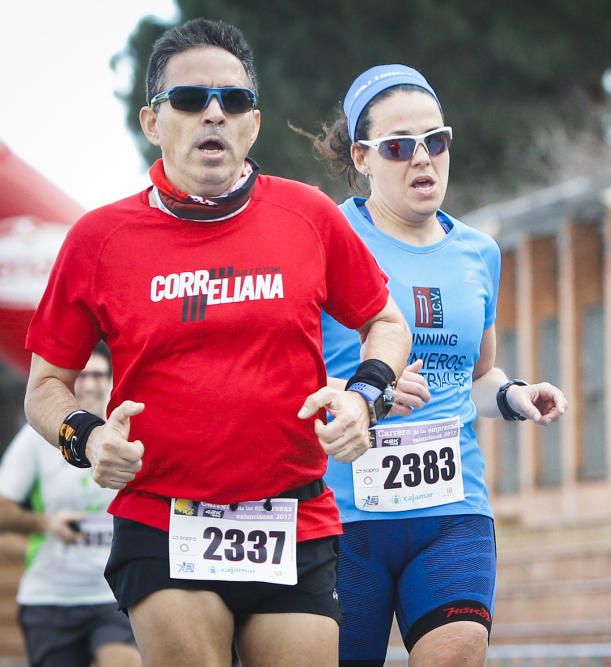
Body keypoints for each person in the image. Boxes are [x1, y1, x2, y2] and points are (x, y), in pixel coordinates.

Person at [23, 19, 410, 667]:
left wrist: (365, 395)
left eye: (233, 102)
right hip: (161, 517)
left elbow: (388, 323)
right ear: (153, 121)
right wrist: (88, 438)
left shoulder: (308, 215)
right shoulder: (99, 238)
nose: (213, 114)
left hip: (292, 517)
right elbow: (44, 385)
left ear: (252, 125)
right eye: (189, 100)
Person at [296, 64, 567, 666]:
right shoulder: (324, 237)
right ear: (363, 158)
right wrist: (366, 391)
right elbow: (284, 374)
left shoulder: (479, 252)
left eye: (435, 141)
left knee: (461, 650)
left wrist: (514, 396)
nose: (422, 159)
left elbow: (476, 376)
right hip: (344, 515)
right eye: (399, 147)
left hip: (453, 507)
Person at [0, 343, 140, 667]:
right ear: (70, 384)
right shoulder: (37, 438)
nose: (91, 384)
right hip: (50, 596)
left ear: (112, 380)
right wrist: (46, 524)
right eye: (84, 376)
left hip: (114, 593)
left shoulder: (134, 432)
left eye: (100, 375)